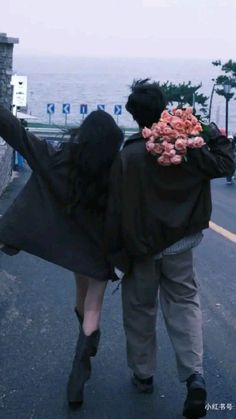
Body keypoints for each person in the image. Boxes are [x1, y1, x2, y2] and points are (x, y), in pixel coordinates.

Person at [105, 79, 235, 418]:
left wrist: (114, 253)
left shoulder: (129, 155)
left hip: (141, 251)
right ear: (164, 108)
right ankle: (194, 376)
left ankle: (144, 375)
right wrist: (208, 130)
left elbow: (115, 210)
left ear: (133, 115)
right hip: (180, 246)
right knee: (184, 304)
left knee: (139, 310)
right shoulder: (187, 148)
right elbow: (225, 163)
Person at [0, 105, 123, 406]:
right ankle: (81, 362)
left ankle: (86, 344)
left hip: (73, 251)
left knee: (79, 302)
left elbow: (18, 135)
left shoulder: (57, 158)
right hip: (99, 252)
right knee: (93, 308)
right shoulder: (118, 172)